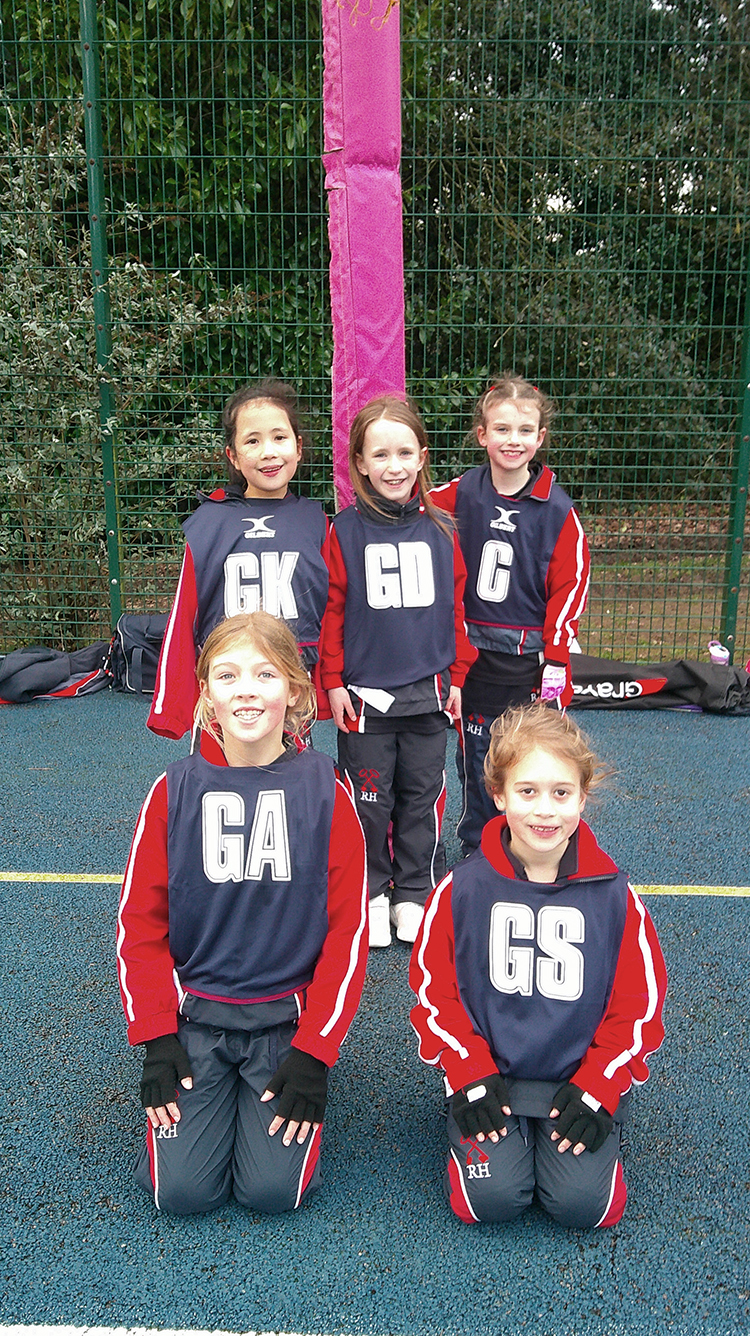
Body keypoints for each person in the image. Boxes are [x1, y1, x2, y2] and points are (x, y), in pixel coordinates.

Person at [117, 612, 368, 1215]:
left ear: (296, 692)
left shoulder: (327, 793)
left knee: (271, 1192)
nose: (247, 691)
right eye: (227, 676)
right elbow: (139, 926)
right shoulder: (172, 791)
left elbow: (348, 932)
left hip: (285, 1023)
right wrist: (156, 1034)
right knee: (182, 1194)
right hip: (196, 1021)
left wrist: (316, 1050)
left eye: (265, 674)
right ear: (206, 694)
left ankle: (282, 1077)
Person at [409, 704, 666, 1229]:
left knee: (584, 1208)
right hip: (490, 1077)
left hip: (575, 1082)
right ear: (499, 795)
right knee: (490, 1202)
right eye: (527, 791)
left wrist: (601, 1085)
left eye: (561, 793)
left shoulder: (616, 898)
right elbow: (436, 994)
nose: (545, 811)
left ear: (583, 797)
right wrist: (468, 1071)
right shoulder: (461, 891)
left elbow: (638, 1009)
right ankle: (474, 1121)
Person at [320, 394, 476, 948]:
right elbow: (332, 612)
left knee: (421, 798)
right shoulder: (342, 531)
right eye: (380, 455)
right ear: (360, 463)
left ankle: (413, 891)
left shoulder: (443, 529)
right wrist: (332, 681)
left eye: (405, 453)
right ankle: (371, 891)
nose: (394, 466)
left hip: (430, 695)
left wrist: (457, 677)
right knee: (369, 801)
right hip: (365, 700)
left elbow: (456, 612)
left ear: (422, 457)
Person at [431, 375, 591, 854]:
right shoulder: (461, 491)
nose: (512, 440)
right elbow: (410, 508)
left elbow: (570, 584)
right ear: (482, 434)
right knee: (477, 760)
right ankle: (479, 849)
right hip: (474, 659)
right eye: (501, 429)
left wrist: (557, 657)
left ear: (540, 437)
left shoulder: (558, 510)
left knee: (535, 758)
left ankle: (536, 847)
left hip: (530, 661)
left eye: (524, 431)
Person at [148, 379, 329, 740]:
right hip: (225, 688)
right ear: (232, 455)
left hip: (289, 689)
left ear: (298, 447)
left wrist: (330, 688)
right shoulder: (208, 524)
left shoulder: (317, 522)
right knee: (218, 771)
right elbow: (183, 617)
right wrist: (171, 707)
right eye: (252, 441)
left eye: (279, 437)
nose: (268, 452)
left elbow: (333, 612)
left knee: (291, 770)